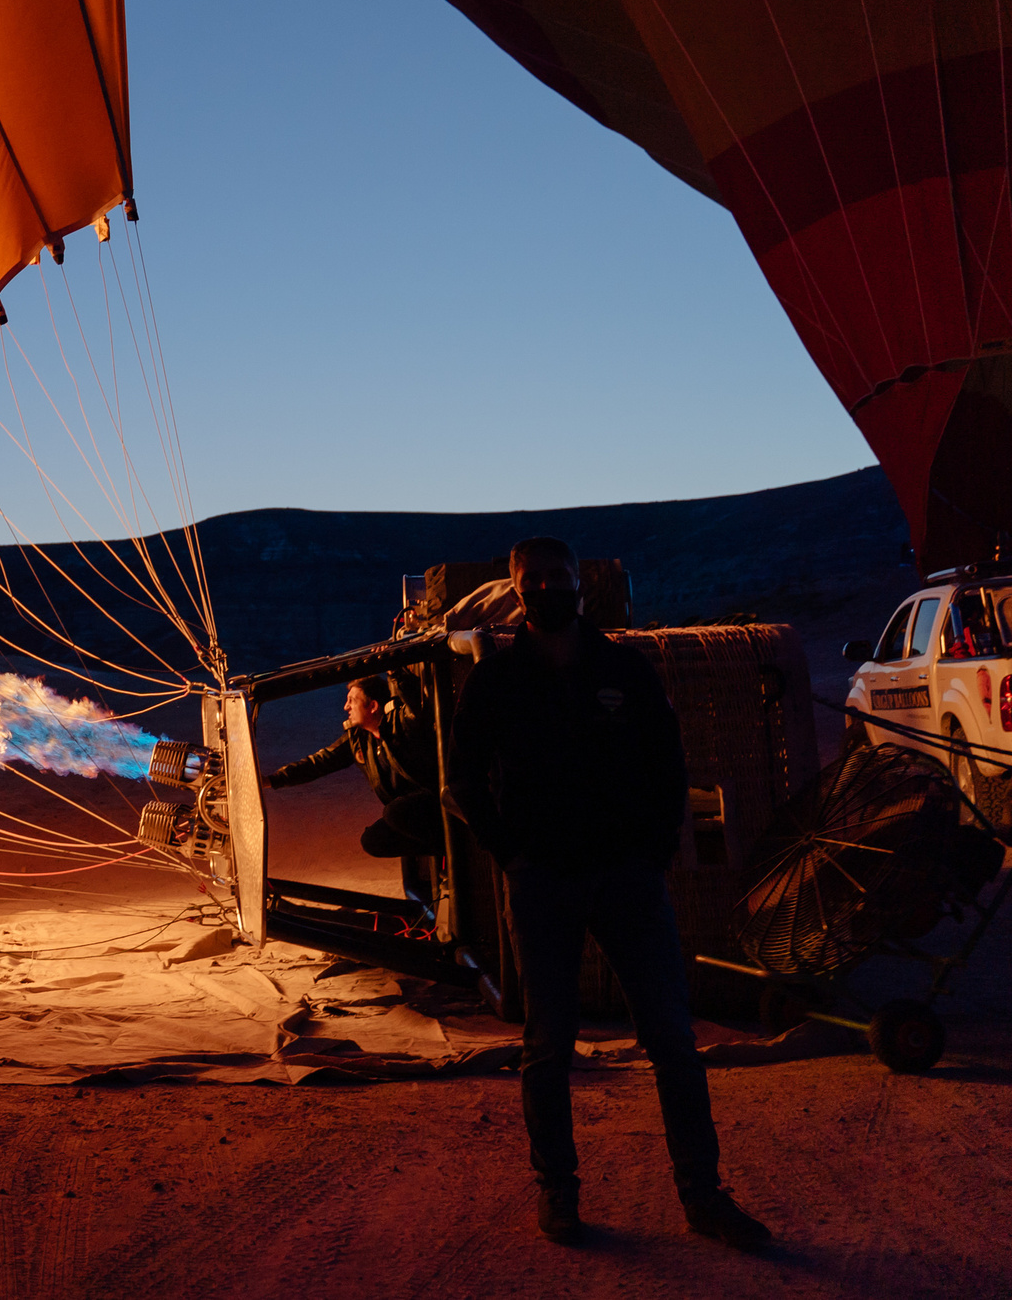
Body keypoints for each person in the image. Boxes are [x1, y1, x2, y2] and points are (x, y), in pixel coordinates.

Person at [446, 536, 771, 1251]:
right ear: (516, 590)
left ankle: (702, 1194)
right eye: (534, 580)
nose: (548, 588)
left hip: (628, 877)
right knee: (548, 1044)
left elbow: (667, 760)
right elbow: (461, 781)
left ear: (580, 586)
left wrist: (654, 851)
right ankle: (557, 1192)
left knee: (672, 1041)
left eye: (558, 577)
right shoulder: (496, 682)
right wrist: (513, 855)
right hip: (544, 883)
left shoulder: (623, 667)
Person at [263, 674, 443, 863]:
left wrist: (395, 670)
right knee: (373, 840)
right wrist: (272, 780)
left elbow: (417, 703)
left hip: (434, 801)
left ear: (372, 706)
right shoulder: (358, 739)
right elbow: (319, 763)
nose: (346, 707)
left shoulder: (402, 722)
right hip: (407, 812)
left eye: (352, 701)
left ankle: (457, 845)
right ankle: (445, 852)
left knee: (395, 812)